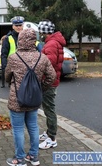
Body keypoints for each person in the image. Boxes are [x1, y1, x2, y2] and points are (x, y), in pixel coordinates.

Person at [5, 28, 56, 166]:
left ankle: (20, 159)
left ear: (20, 40)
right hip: (34, 98)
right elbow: (52, 76)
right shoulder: (42, 57)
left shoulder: (14, 58)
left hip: (17, 100)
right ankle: (33, 156)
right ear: (34, 40)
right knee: (33, 127)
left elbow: (7, 76)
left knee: (18, 129)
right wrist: (41, 88)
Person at [38, 20, 66, 150]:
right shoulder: (52, 42)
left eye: (40, 32)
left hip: (49, 82)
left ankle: (52, 138)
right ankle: (49, 132)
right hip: (52, 80)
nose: (39, 34)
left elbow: (48, 63)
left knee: (49, 109)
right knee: (48, 108)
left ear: (45, 33)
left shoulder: (51, 44)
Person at [0, 16, 24, 88]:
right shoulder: (8, 38)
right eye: (16, 25)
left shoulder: (26, 37)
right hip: (12, 68)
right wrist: (5, 68)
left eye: (20, 25)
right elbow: (4, 54)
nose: (18, 27)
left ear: (22, 26)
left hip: (24, 67)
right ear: (13, 26)